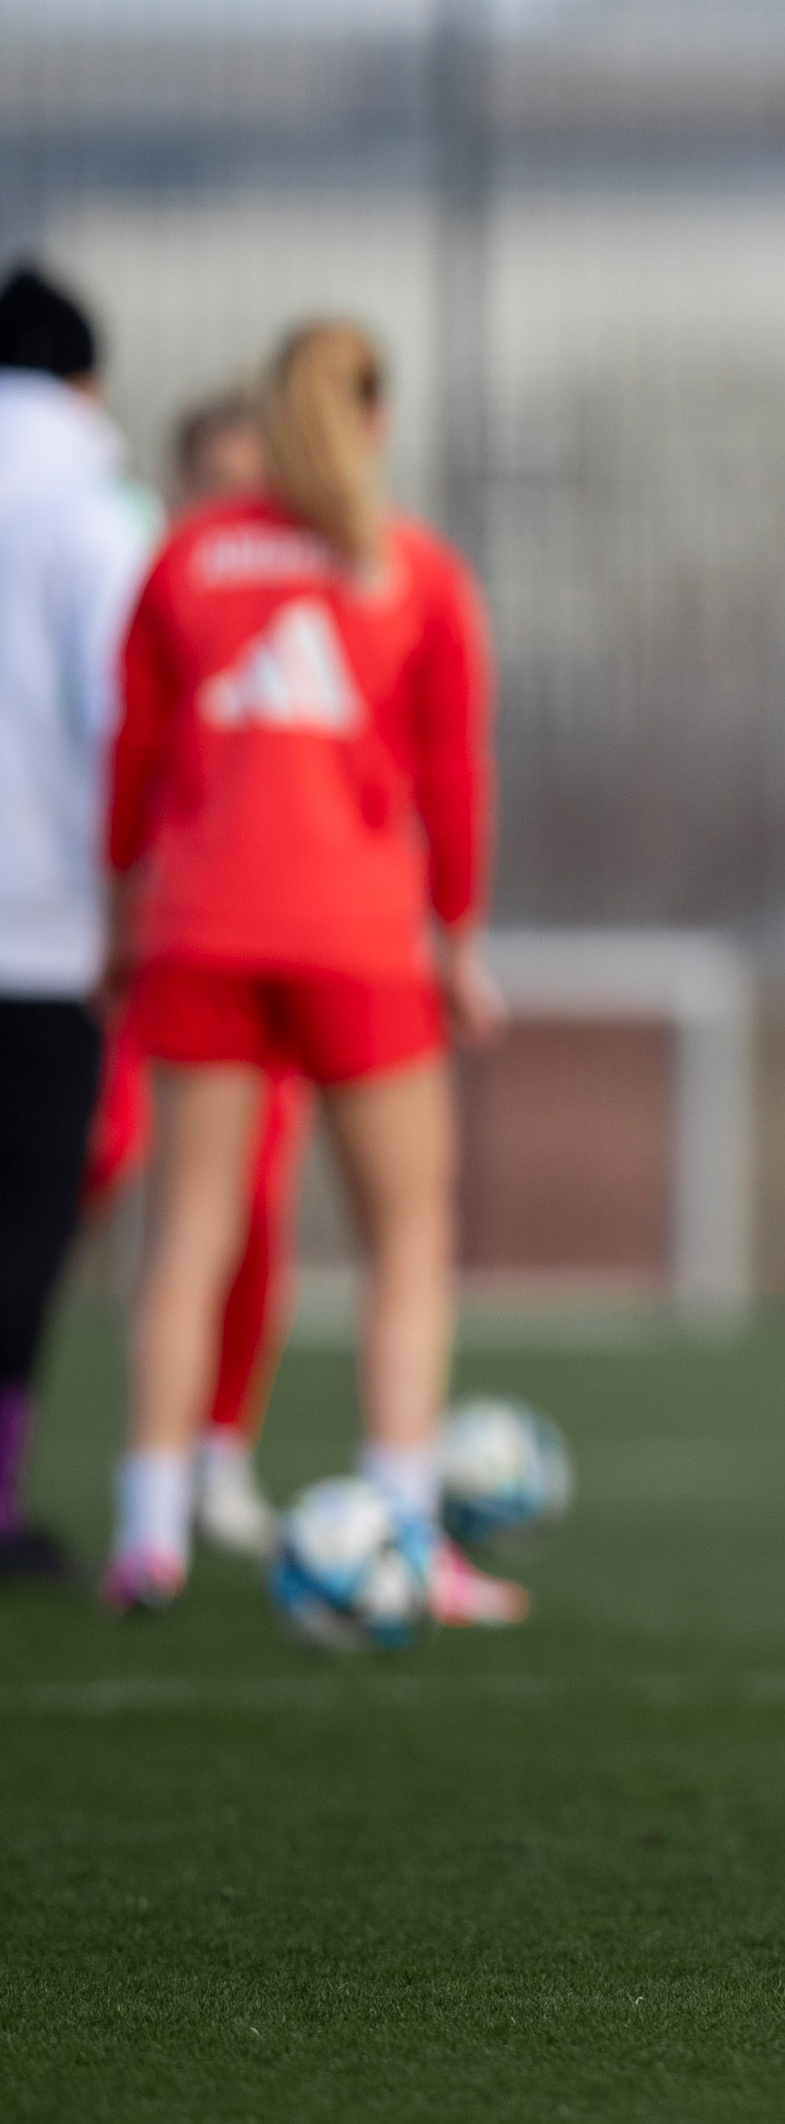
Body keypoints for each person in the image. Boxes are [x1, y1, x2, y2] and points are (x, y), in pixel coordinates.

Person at [96, 317, 524, 1627]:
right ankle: (403, 1533)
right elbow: (453, 780)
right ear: (375, 420)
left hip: (200, 931)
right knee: (406, 1241)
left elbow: (136, 759)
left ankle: (149, 1536)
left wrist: (125, 905)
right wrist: (457, 937)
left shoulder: (185, 558)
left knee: (187, 1239)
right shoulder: (411, 570)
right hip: (355, 939)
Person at [82, 382, 311, 1562]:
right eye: (217, 489)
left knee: (251, 1208)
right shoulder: (154, 597)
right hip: (156, 944)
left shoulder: (324, 603)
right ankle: (137, 1479)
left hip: (270, 955)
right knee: (100, 1172)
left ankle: (217, 1452)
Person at [0, 261, 152, 1586]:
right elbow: (130, 719)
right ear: (87, 380)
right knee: (24, 1218)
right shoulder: (90, 510)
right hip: (39, 925)